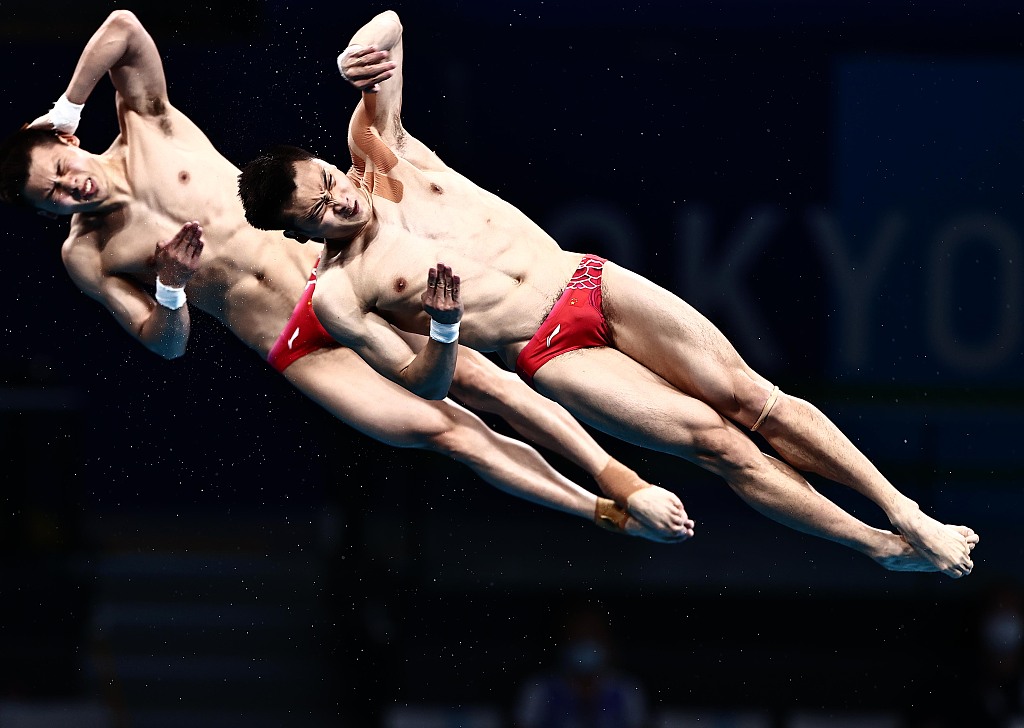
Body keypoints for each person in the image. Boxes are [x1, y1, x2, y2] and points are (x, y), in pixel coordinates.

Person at [237, 9, 979, 578]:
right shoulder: (341, 293)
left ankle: (907, 512)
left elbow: (392, 26)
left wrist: (355, 53)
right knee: (718, 445)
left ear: (325, 161)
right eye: (319, 211)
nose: (340, 201)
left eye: (327, 181)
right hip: (551, 352)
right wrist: (445, 328)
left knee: (752, 397)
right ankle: (877, 545)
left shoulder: (378, 150)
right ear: (301, 232)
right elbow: (426, 386)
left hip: (586, 279)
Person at [0, 10, 694, 544]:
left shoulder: (148, 126)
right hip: (294, 344)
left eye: (60, 169)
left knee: (491, 385)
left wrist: (70, 101)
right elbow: (165, 344)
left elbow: (124, 27)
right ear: (45, 214)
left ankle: (623, 479)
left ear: (67, 140)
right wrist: (173, 288)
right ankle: (603, 512)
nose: (69, 187)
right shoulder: (87, 256)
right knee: (445, 432)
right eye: (51, 197)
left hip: (343, 283)